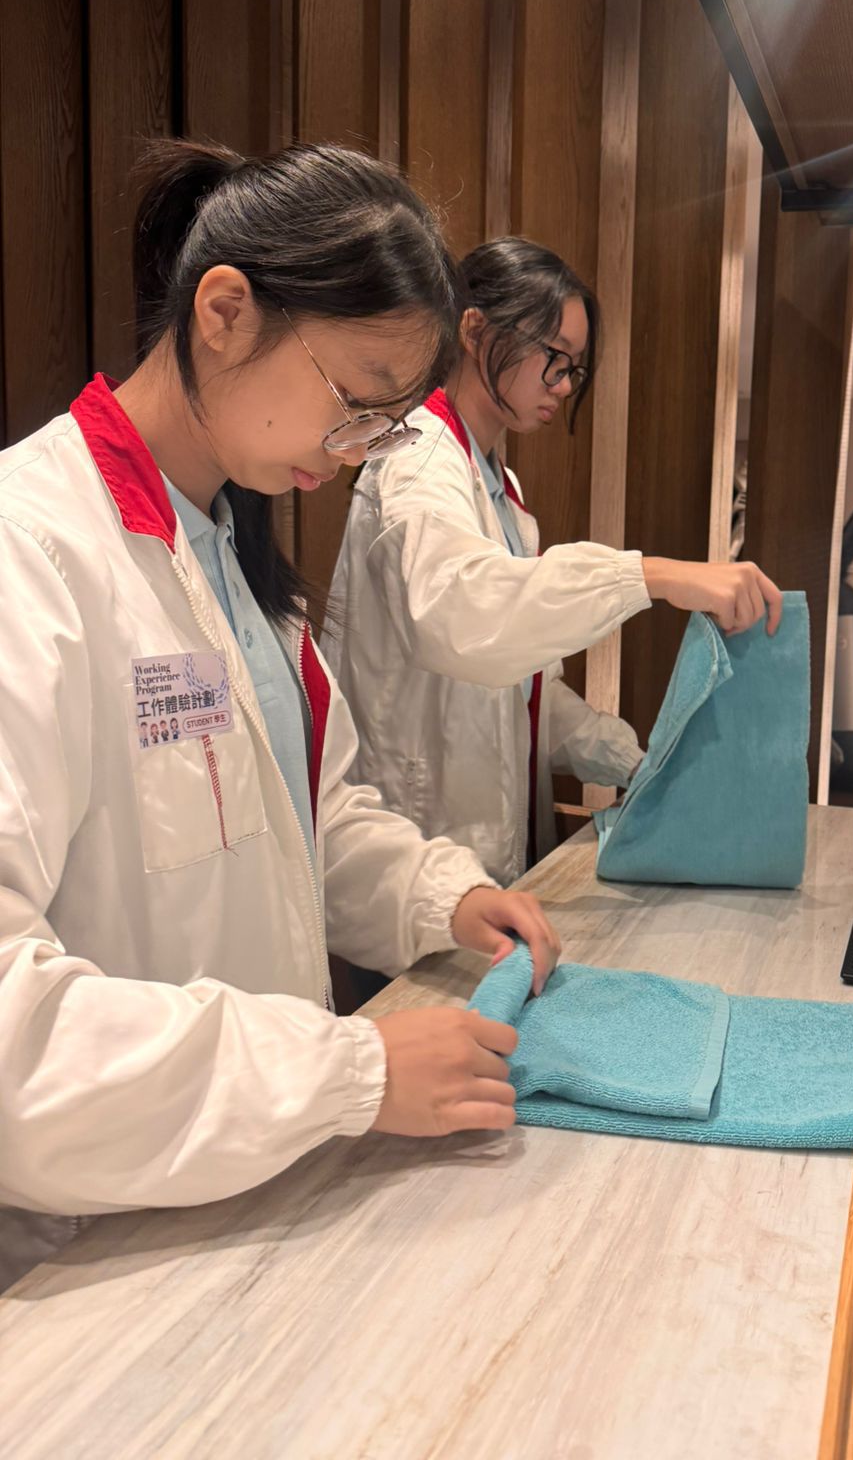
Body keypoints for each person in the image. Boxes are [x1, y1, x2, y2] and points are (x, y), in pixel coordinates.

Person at [0, 141, 560, 1288]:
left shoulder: (240, 564)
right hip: (98, 1256)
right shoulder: (33, 553)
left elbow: (306, 824)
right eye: (354, 401)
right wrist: (345, 1073)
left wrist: (437, 894)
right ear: (224, 312)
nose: (351, 453)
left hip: (260, 1209)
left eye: (383, 424)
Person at [328, 237, 782, 886]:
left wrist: (631, 760)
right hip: (413, 846)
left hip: (479, 853)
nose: (565, 386)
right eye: (554, 358)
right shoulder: (417, 459)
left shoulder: (501, 489)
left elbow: (525, 691)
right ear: (474, 330)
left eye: (574, 368)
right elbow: (462, 616)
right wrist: (652, 575)